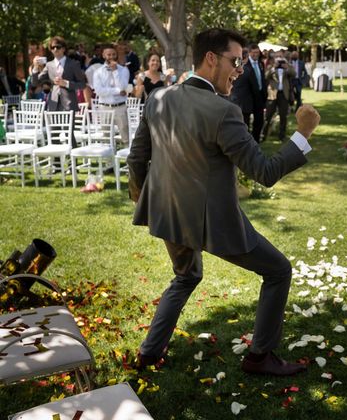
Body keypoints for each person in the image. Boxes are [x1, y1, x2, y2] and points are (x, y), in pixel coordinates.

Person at [127, 28, 321, 375]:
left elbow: (136, 159)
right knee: (278, 270)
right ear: (211, 59)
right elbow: (263, 171)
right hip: (210, 222)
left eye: (243, 62)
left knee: (185, 277)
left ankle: (149, 354)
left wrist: (146, 200)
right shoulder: (223, 111)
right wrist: (303, 133)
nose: (240, 69)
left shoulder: (157, 97)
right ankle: (260, 357)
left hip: (169, 213)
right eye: (235, 61)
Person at [30, 36, 86, 112]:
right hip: (53, 105)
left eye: (58, 47)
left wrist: (66, 83)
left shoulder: (74, 64)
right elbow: (35, 83)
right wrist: (35, 68)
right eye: (53, 47)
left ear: (63, 49)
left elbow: (82, 84)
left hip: (69, 105)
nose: (55, 49)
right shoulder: (49, 65)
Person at [92, 44, 131, 145]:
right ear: (104, 55)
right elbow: (99, 91)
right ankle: (110, 160)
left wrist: (115, 71)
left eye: (114, 54)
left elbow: (123, 87)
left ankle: (129, 159)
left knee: (126, 137)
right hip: (105, 107)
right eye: (109, 54)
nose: (112, 57)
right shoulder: (98, 72)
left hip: (120, 107)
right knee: (107, 138)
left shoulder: (123, 70)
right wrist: (118, 91)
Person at [231, 44, 267, 142]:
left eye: (257, 52)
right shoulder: (244, 66)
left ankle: (256, 140)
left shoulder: (261, 63)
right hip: (248, 97)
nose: (256, 55)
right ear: (249, 53)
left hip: (259, 96)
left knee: (259, 121)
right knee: (245, 122)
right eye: (254, 52)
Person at [262, 57, 296, 141]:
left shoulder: (287, 68)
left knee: (283, 116)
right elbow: (266, 76)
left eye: (281, 62)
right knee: (268, 116)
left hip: (283, 95)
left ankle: (282, 136)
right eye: (278, 62)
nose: (280, 64)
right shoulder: (271, 68)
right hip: (273, 94)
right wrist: (274, 67)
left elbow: (294, 74)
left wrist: (287, 67)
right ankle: (263, 135)